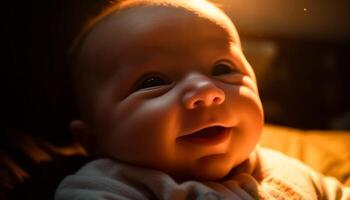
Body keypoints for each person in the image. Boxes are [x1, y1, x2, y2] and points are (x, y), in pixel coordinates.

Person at [55, 0, 350, 199]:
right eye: (153, 82)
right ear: (92, 140)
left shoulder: (289, 170)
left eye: (223, 69)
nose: (207, 92)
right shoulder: (107, 187)